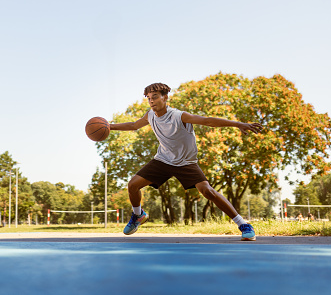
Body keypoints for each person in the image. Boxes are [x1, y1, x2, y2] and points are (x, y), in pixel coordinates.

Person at [109, 83, 263, 241]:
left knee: (207, 191)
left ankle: (243, 225)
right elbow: (134, 125)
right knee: (133, 185)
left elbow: (208, 120)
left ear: (165, 97)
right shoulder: (150, 115)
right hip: (163, 160)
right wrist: (109, 126)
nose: (151, 101)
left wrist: (238, 124)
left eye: (155, 97)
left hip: (186, 162)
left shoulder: (178, 116)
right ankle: (138, 215)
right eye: (149, 98)